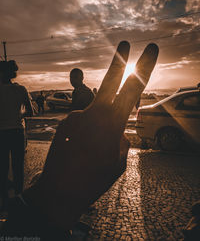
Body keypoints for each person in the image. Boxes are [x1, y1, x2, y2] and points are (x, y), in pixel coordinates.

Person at [2, 41, 159, 239]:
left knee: (6, 167)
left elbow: (86, 116)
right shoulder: (25, 91)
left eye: (74, 76)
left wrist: (44, 196)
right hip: (78, 154)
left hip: (85, 146)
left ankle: (9, 198)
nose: (71, 79)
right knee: (16, 168)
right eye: (70, 76)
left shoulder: (83, 93)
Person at [0, 60, 33, 212]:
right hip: (17, 132)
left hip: (2, 133)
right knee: (18, 167)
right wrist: (19, 115)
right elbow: (30, 112)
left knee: (3, 167)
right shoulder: (21, 89)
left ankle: (4, 201)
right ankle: (19, 198)